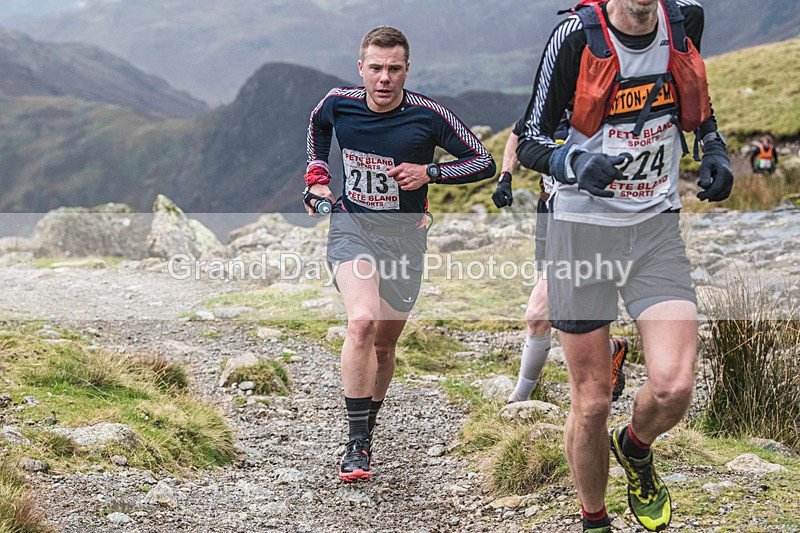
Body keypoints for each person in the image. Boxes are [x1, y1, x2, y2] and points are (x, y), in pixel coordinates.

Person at [515, 0, 733, 531]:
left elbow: (697, 102)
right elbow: (531, 139)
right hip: (582, 233)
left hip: (654, 229)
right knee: (592, 402)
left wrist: (714, 148)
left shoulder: (685, 21)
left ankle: (635, 446)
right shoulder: (575, 36)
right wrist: (573, 161)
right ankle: (595, 520)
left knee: (674, 386)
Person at [304, 26, 496, 482]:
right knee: (362, 322)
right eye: (376, 68)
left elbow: (483, 162)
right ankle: (356, 445)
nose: (384, 77)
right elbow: (317, 129)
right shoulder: (338, 103)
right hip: (351, 226)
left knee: (386, 344)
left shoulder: (428, 116)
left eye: (394, 68)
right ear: (361, 69)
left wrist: (429, 171)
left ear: (407, 69)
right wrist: (317, 177)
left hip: (406, 239)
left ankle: (366, 425)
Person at [493, 119, 629, 405]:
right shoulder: (549, 104)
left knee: (537, 313)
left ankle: (519, 401)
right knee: (564, 308)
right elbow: (518, 133)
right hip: (548, 213)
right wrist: (506, 176)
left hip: (584, 219)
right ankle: (610, 348)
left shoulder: (601, 110)